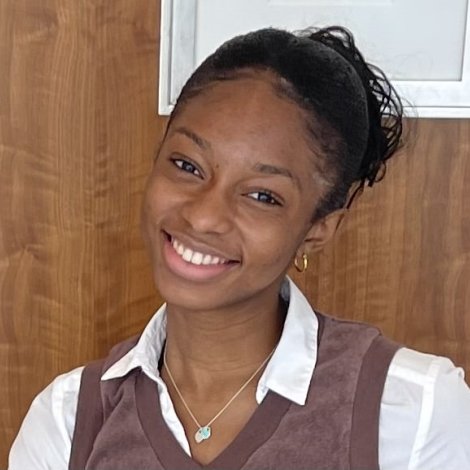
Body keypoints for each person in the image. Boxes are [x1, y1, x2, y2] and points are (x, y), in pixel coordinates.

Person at [9, 26, 470, 469]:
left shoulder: (412, 410)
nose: (204, 216)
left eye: (262, 196)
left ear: (318, 228)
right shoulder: (68, 420)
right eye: (187, 165)